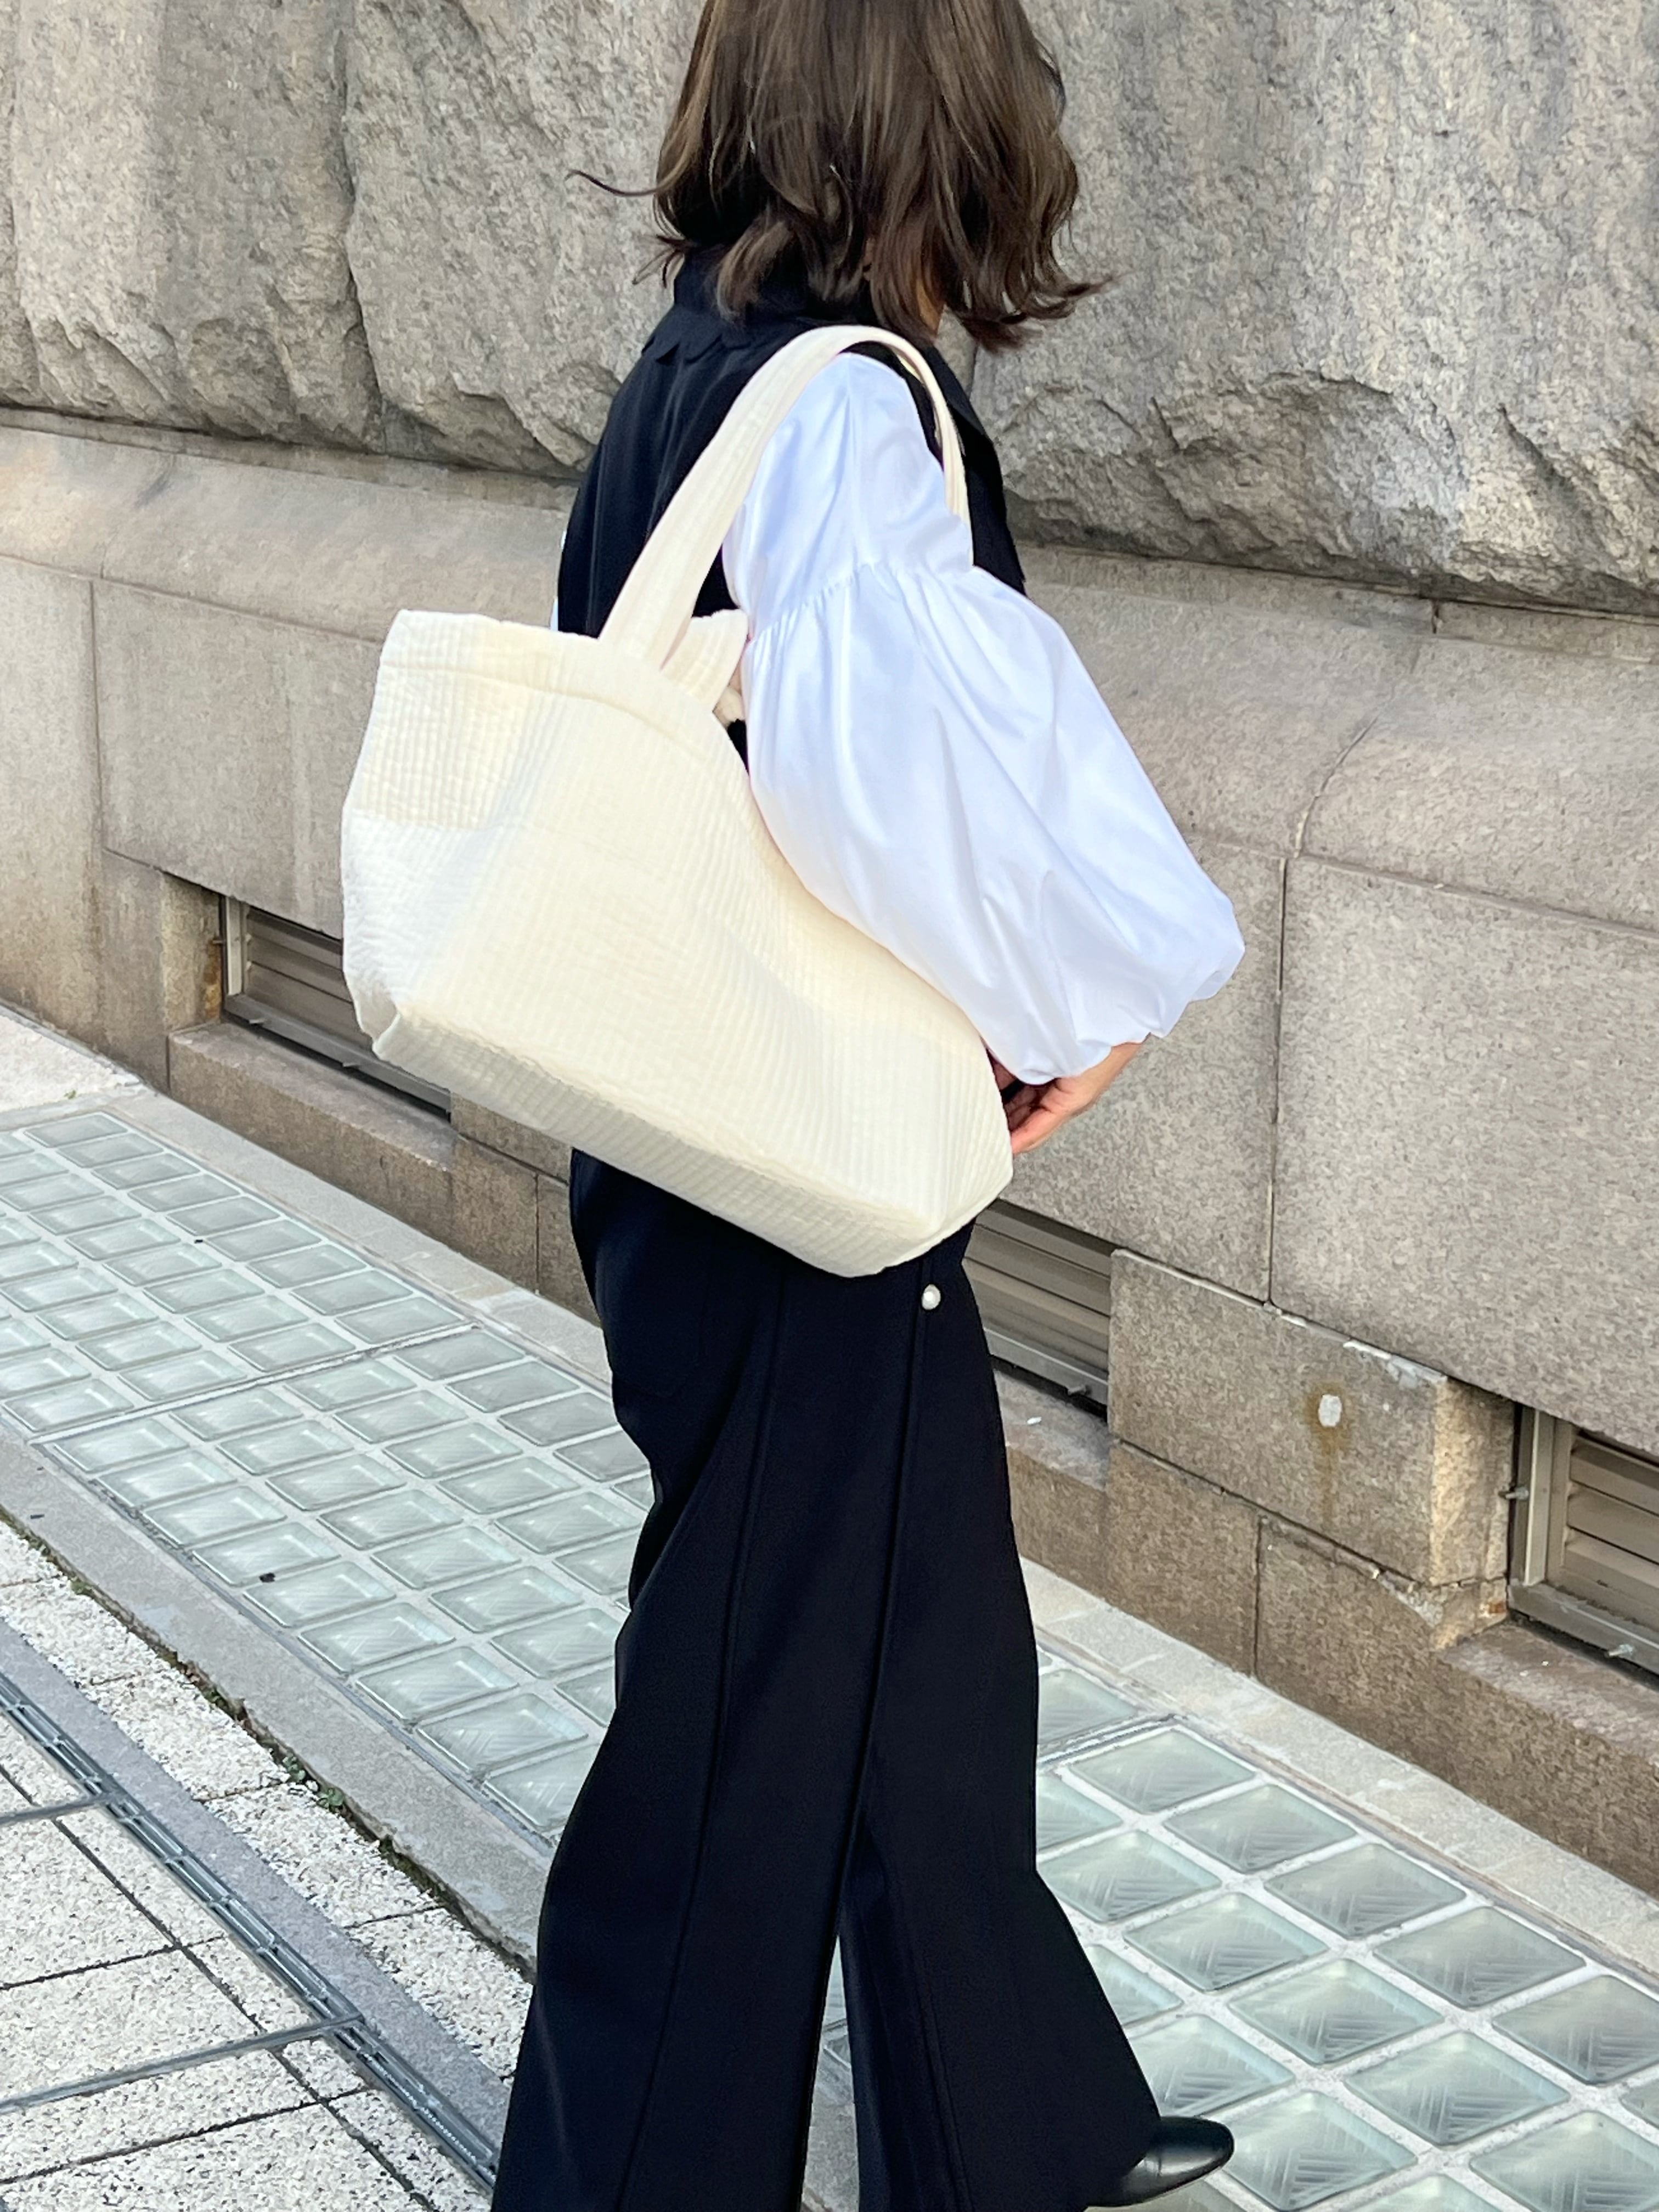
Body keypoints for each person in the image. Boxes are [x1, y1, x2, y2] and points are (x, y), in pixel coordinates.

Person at [493, 2, 1246, 2206]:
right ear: (942, 121)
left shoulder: (698, 363)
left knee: (927, 1649)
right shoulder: (840, 404)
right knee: (740, 1725)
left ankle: (1015, 2124)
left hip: (710, 1130)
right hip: (784, 1168)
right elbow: (906, 778)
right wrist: (1089, 1000)